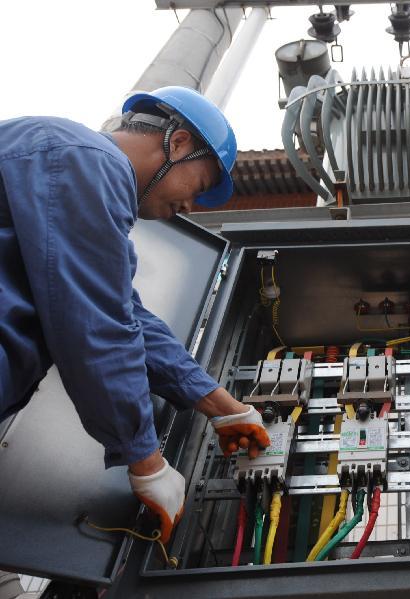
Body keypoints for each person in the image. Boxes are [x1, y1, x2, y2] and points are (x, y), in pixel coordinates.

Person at [0, 86, 271, 543]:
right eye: (198, 187)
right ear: (178, 142)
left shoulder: (81, 170)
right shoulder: (84, 161)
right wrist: (146, 462)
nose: (189, 207)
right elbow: (98, 328)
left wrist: (221, 405)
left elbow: (124, 315)